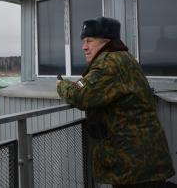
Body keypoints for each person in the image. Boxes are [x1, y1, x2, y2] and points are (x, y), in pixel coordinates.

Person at [56, 16, 175, 188]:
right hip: (142, 158)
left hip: (133, 163)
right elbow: (88, 86)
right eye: (83, 41)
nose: (84, 47)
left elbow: (81, 95)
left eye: (89, 41)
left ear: (105, 42)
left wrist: (62, 85)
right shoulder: (123, 57)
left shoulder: (108, 63)